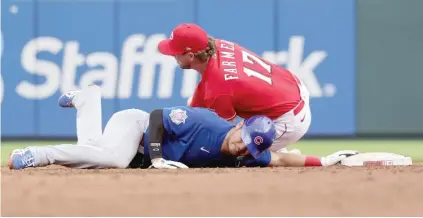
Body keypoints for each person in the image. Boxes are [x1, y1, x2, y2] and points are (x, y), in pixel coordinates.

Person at [8, 85, 357, 170]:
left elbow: (282, 160)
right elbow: (158, 116)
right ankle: (39, 154)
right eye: (243, 139)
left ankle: (88, 101)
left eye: (250, 148)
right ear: (239, 125)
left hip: (139, 152)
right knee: (112, 158)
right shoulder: (208, 122)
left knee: (95, 155)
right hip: (138, 126)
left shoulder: (250, 153)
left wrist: (322, 162)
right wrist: (158, 158)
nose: (241, 148)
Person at [157, 23, 312, 153]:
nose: (173, 56)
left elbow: (222, 135)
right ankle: (271, 148)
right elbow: (205, 91)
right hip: (292, 86)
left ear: (191, 56)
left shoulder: (218, 88)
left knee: (232, 152)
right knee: (193, 107)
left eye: (175, 53)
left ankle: (286, 156)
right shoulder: (217, 44)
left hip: (289, 118)